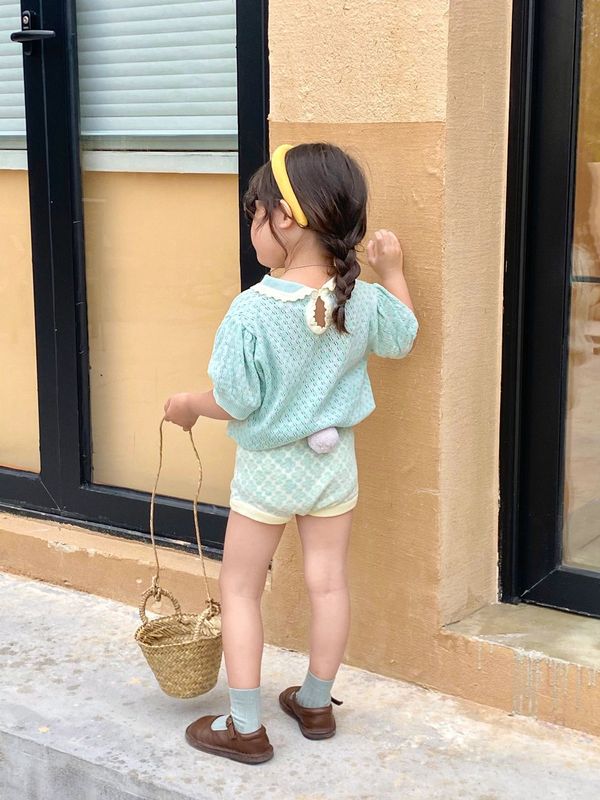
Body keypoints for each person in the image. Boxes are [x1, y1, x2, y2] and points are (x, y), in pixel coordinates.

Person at [163, 142, 418, 764]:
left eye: (255, 213)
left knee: (240, 589)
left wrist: (190, 403)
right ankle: (315, 703)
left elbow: (237, 400)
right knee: (328, 585)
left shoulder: (252, 311)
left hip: (268, 472)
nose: (252, 225)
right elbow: (403, 338)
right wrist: (392, 272)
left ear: (285, 217)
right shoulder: (360, 297)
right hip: (333, 466)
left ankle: (245, 727)